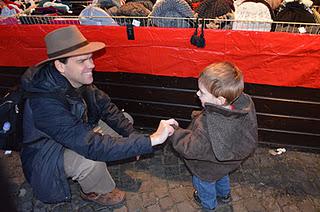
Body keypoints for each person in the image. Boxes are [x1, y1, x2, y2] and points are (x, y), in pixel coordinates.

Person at [20, 25, 178, 206]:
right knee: (90, 160)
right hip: (47, 154)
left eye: (90, 58)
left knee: (126, 121)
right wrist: (149, 141)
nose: (92, 65)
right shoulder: (44, 102)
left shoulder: (76, 79)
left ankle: (109, 155)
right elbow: (90, 146)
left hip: (73, 134)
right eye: (82, 61)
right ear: (59, 66)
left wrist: (133, 137)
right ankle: (95, 191)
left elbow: (107, 108)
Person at [169, 62, 258, 210]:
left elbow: (191, 148)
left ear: (219, 100)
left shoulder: (206, 128)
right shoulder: (242, 107)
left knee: (204, 185)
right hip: (225, 165)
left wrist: (174, 131)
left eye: (202, 92)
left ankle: (209, 206)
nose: (197, 94)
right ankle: (224, 195)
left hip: (206, 168)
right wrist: (200, 115)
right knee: (222, 176)